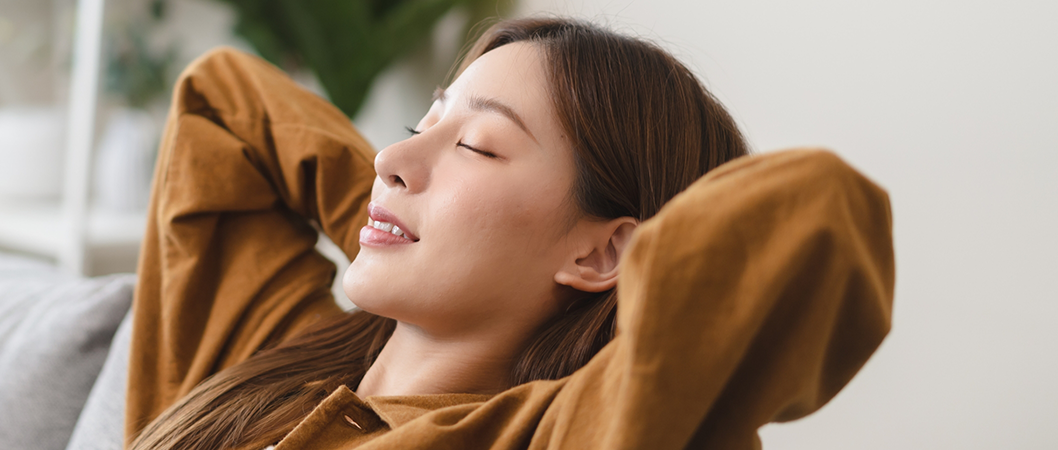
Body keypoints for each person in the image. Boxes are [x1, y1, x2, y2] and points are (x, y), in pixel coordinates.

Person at [124, 17, 894, 450]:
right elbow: (219, 105)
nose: (389, 156)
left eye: (478, 147)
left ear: (602, 250)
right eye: (416, 124)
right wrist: (396, 216)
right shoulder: (270, 349)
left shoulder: (566, 434)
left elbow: (813, 212)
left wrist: (424, 226)